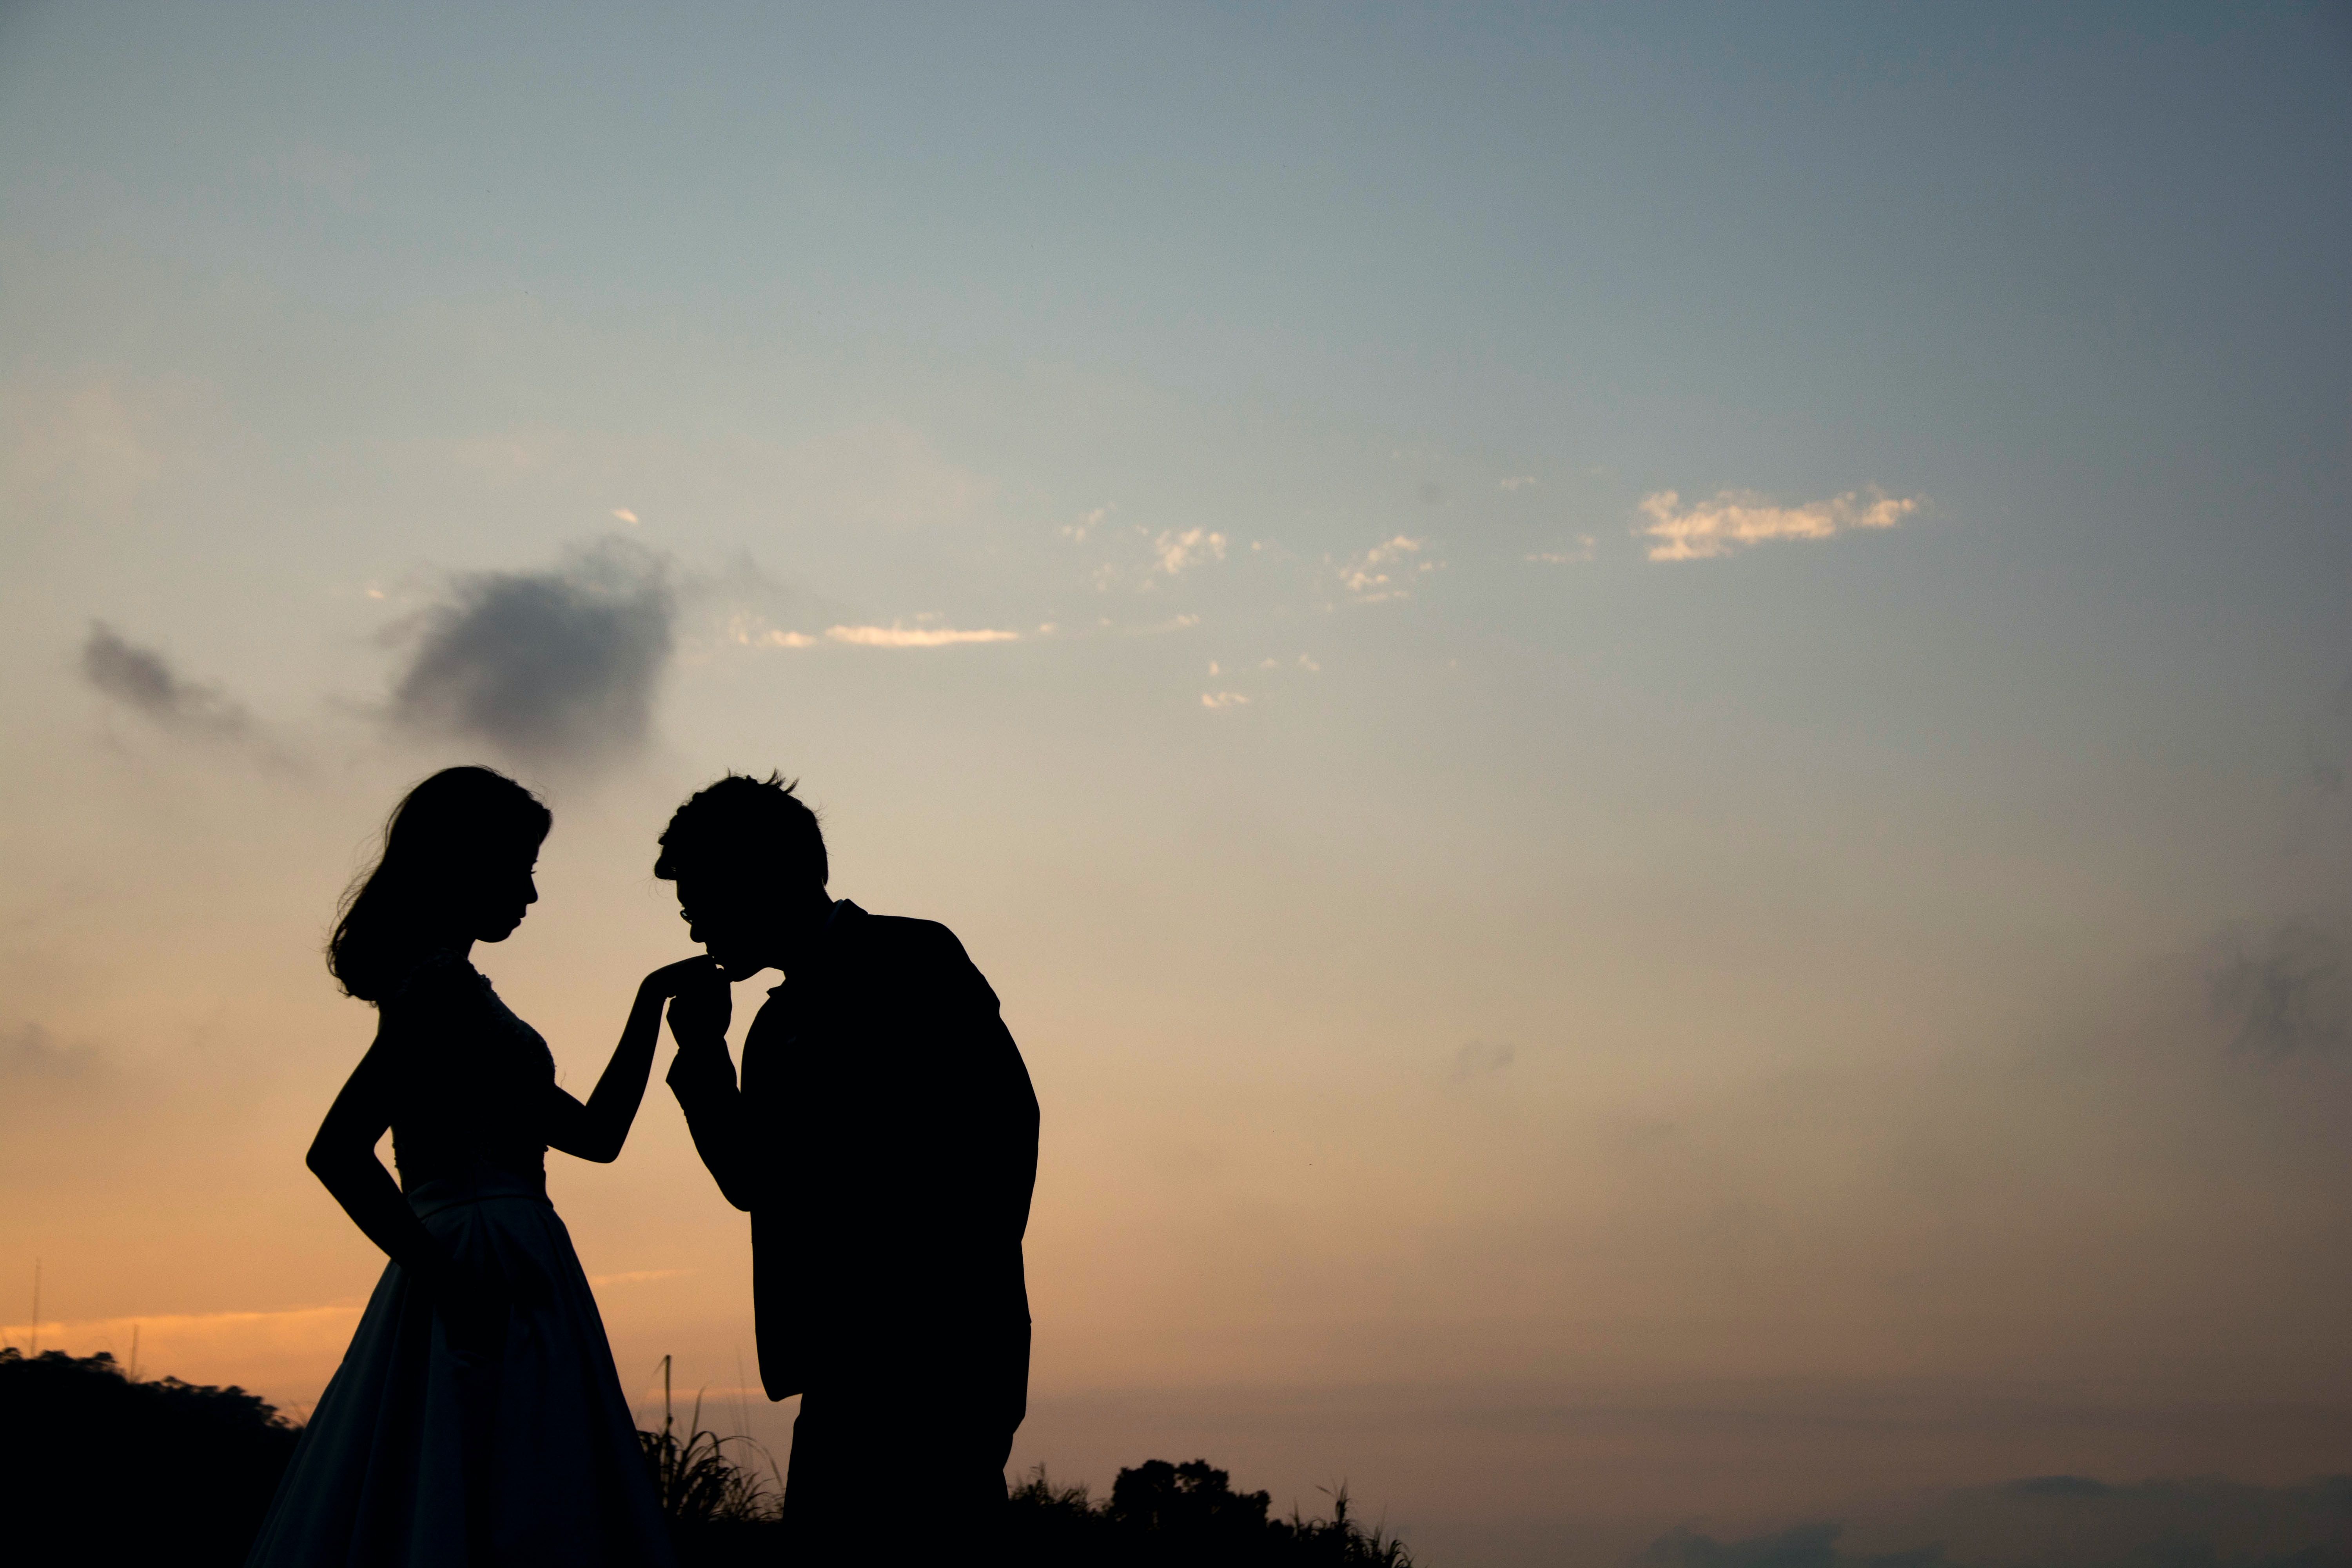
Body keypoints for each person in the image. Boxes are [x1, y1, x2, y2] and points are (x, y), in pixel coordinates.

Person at [247, 766, 702, 1568]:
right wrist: (449, 1279)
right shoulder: (439, 989)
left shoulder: (460, 995)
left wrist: (650, 1001)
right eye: (520, 866)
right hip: (484, 1253)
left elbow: (595, 1134)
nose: (530, 893)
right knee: (506, 1487)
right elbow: (338, 1151)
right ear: (465, 865)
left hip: (504, 1250)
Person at [653, 772, 1038, 1563]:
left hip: (940, 1354)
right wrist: (701, 1056)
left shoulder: (914, 956)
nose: (693, 926)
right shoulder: (769, 1024)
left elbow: (1006, 1129)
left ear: (761, 878)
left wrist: (951, 1292)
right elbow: (749, 1181)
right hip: (840, 1364)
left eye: (701, 898)